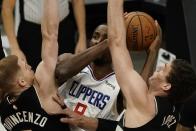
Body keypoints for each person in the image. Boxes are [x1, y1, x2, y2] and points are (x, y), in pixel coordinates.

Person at [54, 0, 196, 131]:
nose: (158, 69)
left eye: (163, 70)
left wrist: (117, 18)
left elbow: (116, 43)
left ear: (166, 86)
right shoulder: (172, 116)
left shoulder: (145, 104)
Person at [54, 17, 161, 131]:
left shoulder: (119, 83)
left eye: (106, 38)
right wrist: (108, 41)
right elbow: (61, 72)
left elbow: (138, 99)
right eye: (96, 36)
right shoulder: (71, 62)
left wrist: (152, 53)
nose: (98, 41)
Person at [0, 0, 71, 130]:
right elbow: (50, 35)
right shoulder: (40, 89)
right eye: (26, 67)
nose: (31, 66)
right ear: (21, 81)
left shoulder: (4, 108)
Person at [1, 0, 86, 70]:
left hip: (63, 30)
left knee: (67, 77)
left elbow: (78, 2)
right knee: (32, 80)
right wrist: (14, 48)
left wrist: (82, 37)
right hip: (31, 33)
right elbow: (7, 8)